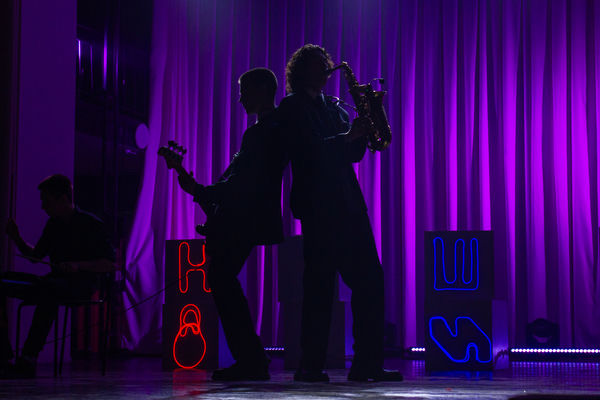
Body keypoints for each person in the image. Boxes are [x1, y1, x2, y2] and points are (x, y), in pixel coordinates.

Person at [276, 44, 402, 382]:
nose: (325, 70)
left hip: (348, 205)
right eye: (317, 65)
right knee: (319, 288)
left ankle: (367, 364)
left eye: (325, 64)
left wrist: (364, 128)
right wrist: (346, 137)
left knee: (370, 281)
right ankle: (310, 366)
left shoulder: (333, 106)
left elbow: (355, 154)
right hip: (318, 207)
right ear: (301, 71)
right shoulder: (292, 106)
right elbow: (306, 150)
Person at [177, 68, 286, 381]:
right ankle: (252, 357)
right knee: (222, 279)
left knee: (221, 279)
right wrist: (205, 192)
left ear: (262, 90)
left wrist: (202, 191)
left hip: (245, 218)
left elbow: (242, 183)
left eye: (244, 91)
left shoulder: (263, 132)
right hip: (248, 217)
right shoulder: (268, 130)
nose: (240, 99)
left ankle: (251, 359)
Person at [1, 174, 116, 378]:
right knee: (5, 282)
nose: (43, 207)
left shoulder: (91, 224)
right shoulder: (53, 224)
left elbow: (110, 264)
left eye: (46, 201)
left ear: (63, 199)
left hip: (81, 286)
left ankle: (28, 358)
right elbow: (36, 256)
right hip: (53, 283)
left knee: (49, 291)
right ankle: (5, 357)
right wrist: (16, 237)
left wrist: (78, 266)